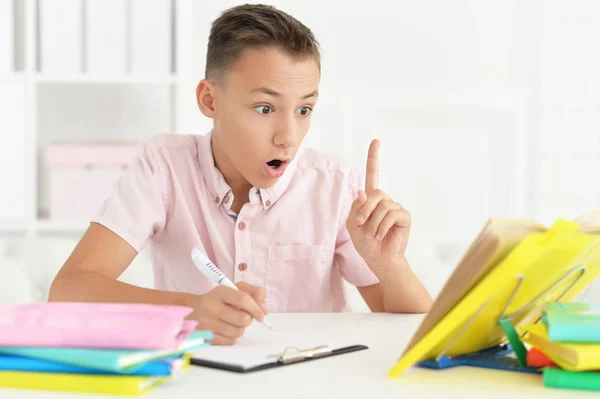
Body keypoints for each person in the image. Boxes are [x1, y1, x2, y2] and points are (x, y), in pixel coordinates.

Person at [49, 4, 432, 345]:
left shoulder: (333, 186)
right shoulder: (164, 166)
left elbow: (410, 333)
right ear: (209, 100)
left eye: (304, 110)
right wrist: (190, 311)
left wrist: (391, 265)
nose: (288, 137)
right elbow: (68, 290)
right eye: (265, 108)